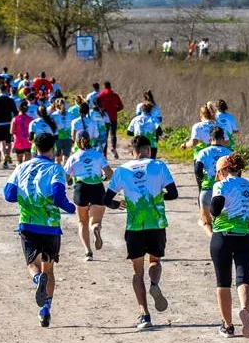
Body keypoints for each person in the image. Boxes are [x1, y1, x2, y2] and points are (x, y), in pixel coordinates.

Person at [102, 136, 179, 330]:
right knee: (155, 261)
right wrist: (159, 196)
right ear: (149, 150)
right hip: (156, 223)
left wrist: (116, 204)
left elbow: (106, 198)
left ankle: (144, 315)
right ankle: (154, 283)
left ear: (133, 151)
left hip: (135, 226)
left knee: (137, 271)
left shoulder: (122, 170)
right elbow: (174, 193)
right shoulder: (159, 165)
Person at [3, 133, 77, 327]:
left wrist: (26, 198)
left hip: (28, 224)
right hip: (51, 227)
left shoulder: (21, 167)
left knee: (32, 264)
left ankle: (37, 280)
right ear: (53, 149)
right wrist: (71, 208)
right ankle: (45, 309)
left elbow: (9, 195)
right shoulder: (56, 169)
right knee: (49, 268)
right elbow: (58, 196)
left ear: (35, 147)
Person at [209, 153, 249, 338]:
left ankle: (228, 326)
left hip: (223, 236)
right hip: (247, 236)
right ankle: (245, 310)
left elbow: (215, 208)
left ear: (223, 170)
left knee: (223, 282)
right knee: (243, 279)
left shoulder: (222, 184)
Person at [64, 130, 114, 261]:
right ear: (89, 140)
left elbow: (65, 175)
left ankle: (88, 252)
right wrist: (103, 178)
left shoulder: (74, 157)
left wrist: (69, 180)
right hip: (97, 188)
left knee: (82, 222)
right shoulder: (98, 155)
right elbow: (110, 174)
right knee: (95, 222)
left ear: (76, 141)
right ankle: (96, 229)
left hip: (81, 189)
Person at [193, 127, 233, 236]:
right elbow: (237, 173)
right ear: (223, 138)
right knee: (224, 221)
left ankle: (213, 239)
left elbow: (197, 169)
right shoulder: (230, 153)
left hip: (208, 189)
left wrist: (202, 181)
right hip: (226, 191)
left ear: (210, 139)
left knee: (206, 222)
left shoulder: (203, 152)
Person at [0, 85, 18, 169]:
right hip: (9, 123)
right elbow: (15, 112)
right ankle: (7, 156)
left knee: (1, 142)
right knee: (9, 142)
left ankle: (2, 155)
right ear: (7, 90)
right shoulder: (10, 100)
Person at [95, 81, 124, 159]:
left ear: (104, 87)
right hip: (113, 117)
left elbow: (96, 104)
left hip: (104, 118)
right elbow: (121, 106)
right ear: (110, 87)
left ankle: (104, 154)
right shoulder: (115, 95)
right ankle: (113, 147)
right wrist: (115, 110)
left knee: (105, 136)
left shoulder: (101, 95)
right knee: (113, 134)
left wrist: (101, 110)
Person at [12, 101, 33, 165]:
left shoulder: (15, 119)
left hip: (18, 143)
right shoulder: (30, 119)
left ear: (18, 109)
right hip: (28, 143)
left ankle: (19, 173)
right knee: (27, 163)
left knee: (19, 161)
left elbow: (11, 131)